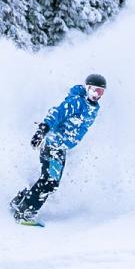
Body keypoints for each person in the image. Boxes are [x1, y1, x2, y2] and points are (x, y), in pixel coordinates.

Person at [11, 73, 107, 224]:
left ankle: (20, 202)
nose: (96, 95)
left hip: (60, 148)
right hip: (53, 146)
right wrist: (42, 130)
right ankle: (25, 212)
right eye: (94, 90)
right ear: (87, 88)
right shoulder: (77, 101)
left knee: (48, 180)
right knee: (50, 182)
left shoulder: (94, 107)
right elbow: (56, 113)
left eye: (100, 92)